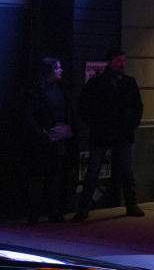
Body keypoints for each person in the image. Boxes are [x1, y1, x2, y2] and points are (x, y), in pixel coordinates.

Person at [74, 48, 144, 221]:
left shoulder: (126, 82)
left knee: (123, 171)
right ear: (110, 62)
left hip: (119, 133)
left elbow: (138, 107)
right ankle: (85, 208)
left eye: (123, 61)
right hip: (105, 132)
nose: (122, 64)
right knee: (94, 172)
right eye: (119, 61)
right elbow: (83, 107)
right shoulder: (98, 83)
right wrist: (95, 124)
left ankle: (129, 203)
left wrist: (131, 125)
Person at [23, 57, 72, 225]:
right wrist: (40, 132)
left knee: (53, 176)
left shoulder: (57, 88)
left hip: (55, 137)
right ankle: (35, 212)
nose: (61, 70)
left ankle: (52, 210)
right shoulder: (38, 89)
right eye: (58, 68)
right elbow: (29, 114)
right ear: (50, 70)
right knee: (38, 177)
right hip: (42, 139)